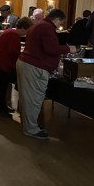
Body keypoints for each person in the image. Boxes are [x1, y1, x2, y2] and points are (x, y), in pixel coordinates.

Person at [16, 9, 77, 140]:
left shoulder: (38, 25)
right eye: (62, 22)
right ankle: (31, 129)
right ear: (58, 19)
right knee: (34, 99)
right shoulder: (47, 27)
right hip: (35, 67)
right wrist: (68, 49)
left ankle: (29, 126)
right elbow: (51, 49)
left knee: (28, 98)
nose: (61, 25)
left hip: (28, 64)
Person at [0, 17, 33, 117]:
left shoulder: (9, 31)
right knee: (0, 90)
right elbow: (14, 51)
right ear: (23, 28)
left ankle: (2, 109)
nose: (26, 33)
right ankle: (1, 111)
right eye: (27, 31)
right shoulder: (13, 35)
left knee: (1, 89)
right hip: (1, 65)